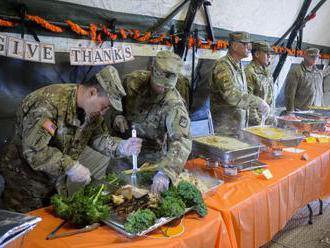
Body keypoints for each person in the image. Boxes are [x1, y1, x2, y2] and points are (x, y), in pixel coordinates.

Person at [0, 65, 142, 213]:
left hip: (55, 182)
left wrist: (121, 146)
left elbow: (99, 137)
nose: (104, 112)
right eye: (104, 106)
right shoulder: (48, 104)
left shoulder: (92, 111)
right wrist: (70, 166)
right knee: (27, 231)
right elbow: (34, 151)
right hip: (25, 183)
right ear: (92, 92)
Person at [112, 51, 192, 194]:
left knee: (146, 197)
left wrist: (166, 172)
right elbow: (113, 100)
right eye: (159, 85)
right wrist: (117, 115)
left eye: (167, 87)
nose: (163, 90)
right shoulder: (131, 82)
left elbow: (182, 141)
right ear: (151, 73)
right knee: (115, 192)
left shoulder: (174, 104)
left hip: (151, 160)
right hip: (123, 152)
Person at [210, 31, 270, 136]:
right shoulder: (223, 66)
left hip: (238, 126)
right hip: (225, 129)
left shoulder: (239, 65)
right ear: (234, 46)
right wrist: (257, 102)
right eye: (245, 44)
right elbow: (231, 95)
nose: (250, 48)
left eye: (249, 44)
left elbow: (243, 93)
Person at [245, 41, 275, 126]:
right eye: (266, 53)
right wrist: (257, 124)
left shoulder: (267, 71)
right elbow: (249, 101)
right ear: (257, 54)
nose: (269, 56)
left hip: (267, 118)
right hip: (256, 122)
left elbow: (270, 96)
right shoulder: (249, 72)